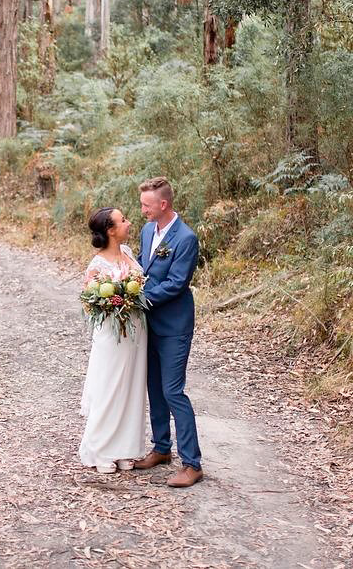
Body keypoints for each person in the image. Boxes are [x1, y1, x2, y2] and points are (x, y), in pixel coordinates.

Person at [133, 177, 203, 488]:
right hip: (148, 322)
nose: (142, 210)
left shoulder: (186, 238)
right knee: (154, 387)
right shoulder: (148, 230)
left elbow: (176, 284)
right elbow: (140, 266)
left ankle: (192, 463)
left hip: (174, 325)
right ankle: (161, 448)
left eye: (146, 205)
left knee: (173, 390)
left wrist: (139, 299)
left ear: (163, 205)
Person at [78, 207, 148, 474]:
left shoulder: (128, 253)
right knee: (109, 389)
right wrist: (111, 302)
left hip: (135, 332)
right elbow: (89, 303)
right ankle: (100, 449)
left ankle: (124, 449)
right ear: (110, 230)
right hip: (110, 334)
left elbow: (140, 281)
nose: (129, 223)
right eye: (123, 220)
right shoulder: (96, 265)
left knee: (130, 390)